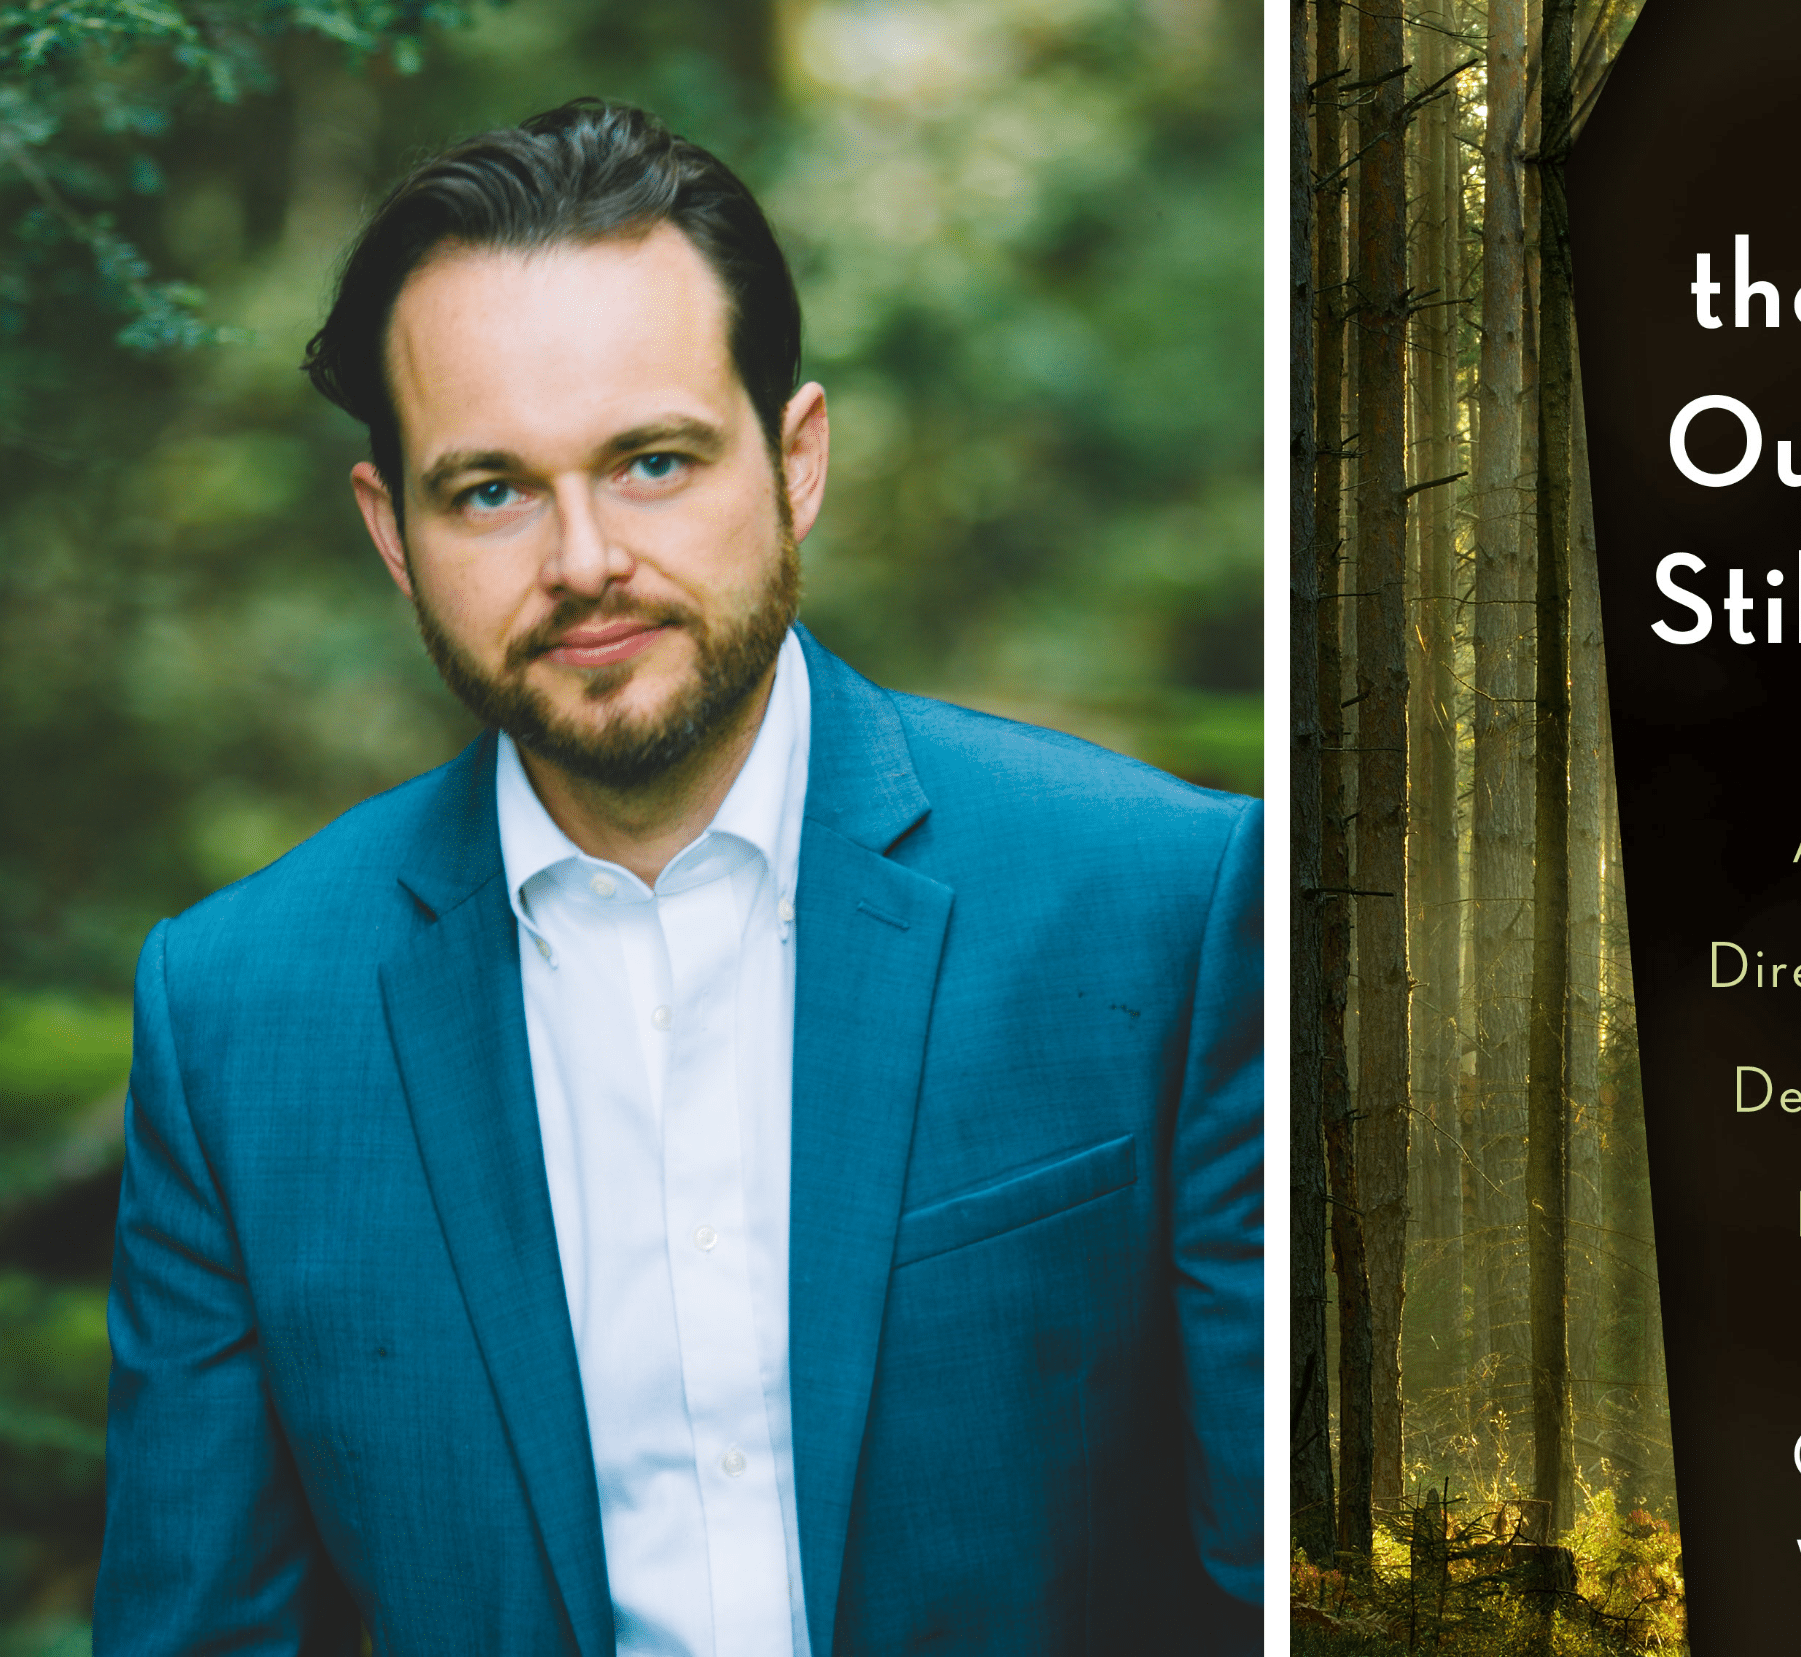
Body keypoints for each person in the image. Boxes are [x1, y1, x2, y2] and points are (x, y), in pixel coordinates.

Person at [93, 99, 1261, 1655]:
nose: (581, 557)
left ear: (795, 459)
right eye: (490, 489)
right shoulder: (237, 1015)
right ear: (391, 532)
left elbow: (1278, 1578)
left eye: (651, 461)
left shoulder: (1156, 903)